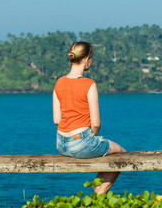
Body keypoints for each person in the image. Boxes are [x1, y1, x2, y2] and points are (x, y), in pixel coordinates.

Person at [53, 41, 126, 194]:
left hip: (61, 144)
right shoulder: (89, 84)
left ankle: (97, 189)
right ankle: (100, 193)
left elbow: (56, 120)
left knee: (103, 149)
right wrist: (90, 137)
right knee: (122, 153)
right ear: (87, 59)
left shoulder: (59, 82)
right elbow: (96, 123)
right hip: (81, 143)